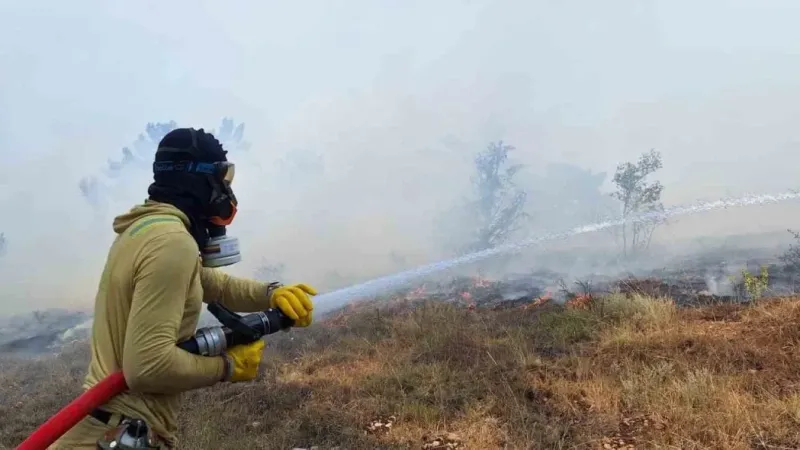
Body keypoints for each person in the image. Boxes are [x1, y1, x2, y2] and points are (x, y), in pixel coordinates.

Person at [50, 128, 317, 449]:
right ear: (200, 180)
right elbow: (147, 368)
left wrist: (270, 293)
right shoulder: (171, 243)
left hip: (107, 427)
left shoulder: (145, 230)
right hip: (121, 433)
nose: (226, 192)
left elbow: (207, 282)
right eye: (223, 178)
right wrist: (227, 366)